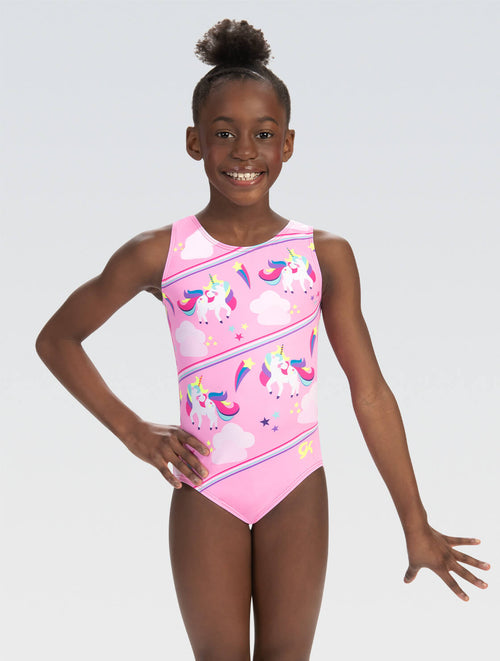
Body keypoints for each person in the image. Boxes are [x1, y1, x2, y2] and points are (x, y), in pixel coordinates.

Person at [36, 18, 490, 661]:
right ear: (194, 141)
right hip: (206, 489)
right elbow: (57, 339)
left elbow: (370, 392)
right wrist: (133, 431)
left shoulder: (323, 254)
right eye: (224, 133)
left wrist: (414, 522)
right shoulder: (160, 253)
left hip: (296, 487)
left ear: (289, 144)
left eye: (264, 134)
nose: (244, 151)